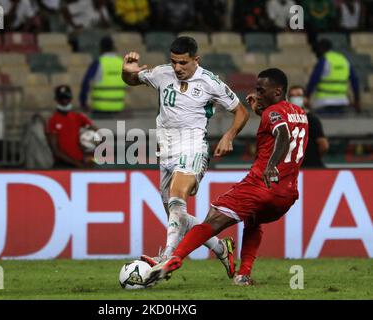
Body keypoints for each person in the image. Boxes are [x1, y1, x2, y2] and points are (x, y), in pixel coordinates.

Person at [144, 68, 309, 286]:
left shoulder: (273, 114)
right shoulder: (299, 113)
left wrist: (271, 165)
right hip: (287, 194)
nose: (257, 95)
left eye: (261, 90)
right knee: (253, 221)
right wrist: (261, 110)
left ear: (277, 91)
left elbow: (283, 135)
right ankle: (243, 275)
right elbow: (282, 125)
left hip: (261, 184)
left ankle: (172, 259)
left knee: (213, 219)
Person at [121, 36, 250, 278]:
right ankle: (222, 248)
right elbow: (131, 80)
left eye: (183, 63)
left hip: (193, 147)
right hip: (166, 152)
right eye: (174, 62)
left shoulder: (210, 82)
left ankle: (167, 256)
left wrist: (229, 135)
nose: (177, 68)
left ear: (195, 60)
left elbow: (241, 111)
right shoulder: (162, 73)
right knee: (175, 214)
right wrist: (125, 71)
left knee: (177, 197)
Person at [47, 85, 99, 168]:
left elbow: (99, 132)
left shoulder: (78, 117)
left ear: (71, 99)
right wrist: (78, 164)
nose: (64, 101)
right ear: (56, 100)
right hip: (63, 165)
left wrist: (92, 156)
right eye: (61, 98)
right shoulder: (53, 120)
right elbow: (55, 150)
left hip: (80, 162)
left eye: (66, 98)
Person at [306, 39, 360, 115]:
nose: (316, 53)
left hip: (323, 103)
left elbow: (313, 80)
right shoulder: (343, 59)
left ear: (321, 49)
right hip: (341, 102)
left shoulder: (324, 60)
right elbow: (355, 81)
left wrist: (307, 97)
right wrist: (357, 101)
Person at [80, 36, 127, 118]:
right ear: (113, 47)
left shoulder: (98, 62)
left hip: (100, 109)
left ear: (100, 48)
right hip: (118, 108)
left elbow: (85, 83)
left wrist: (83, 103)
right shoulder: (121, 62)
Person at [289, 85, 329, 168]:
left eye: (299, 95)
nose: (295, 99)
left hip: (311, 167)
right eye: (292, 96)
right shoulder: (285, 119)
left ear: (305, 99)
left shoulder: (311, 119)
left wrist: (313, 158)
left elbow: (323, 145)